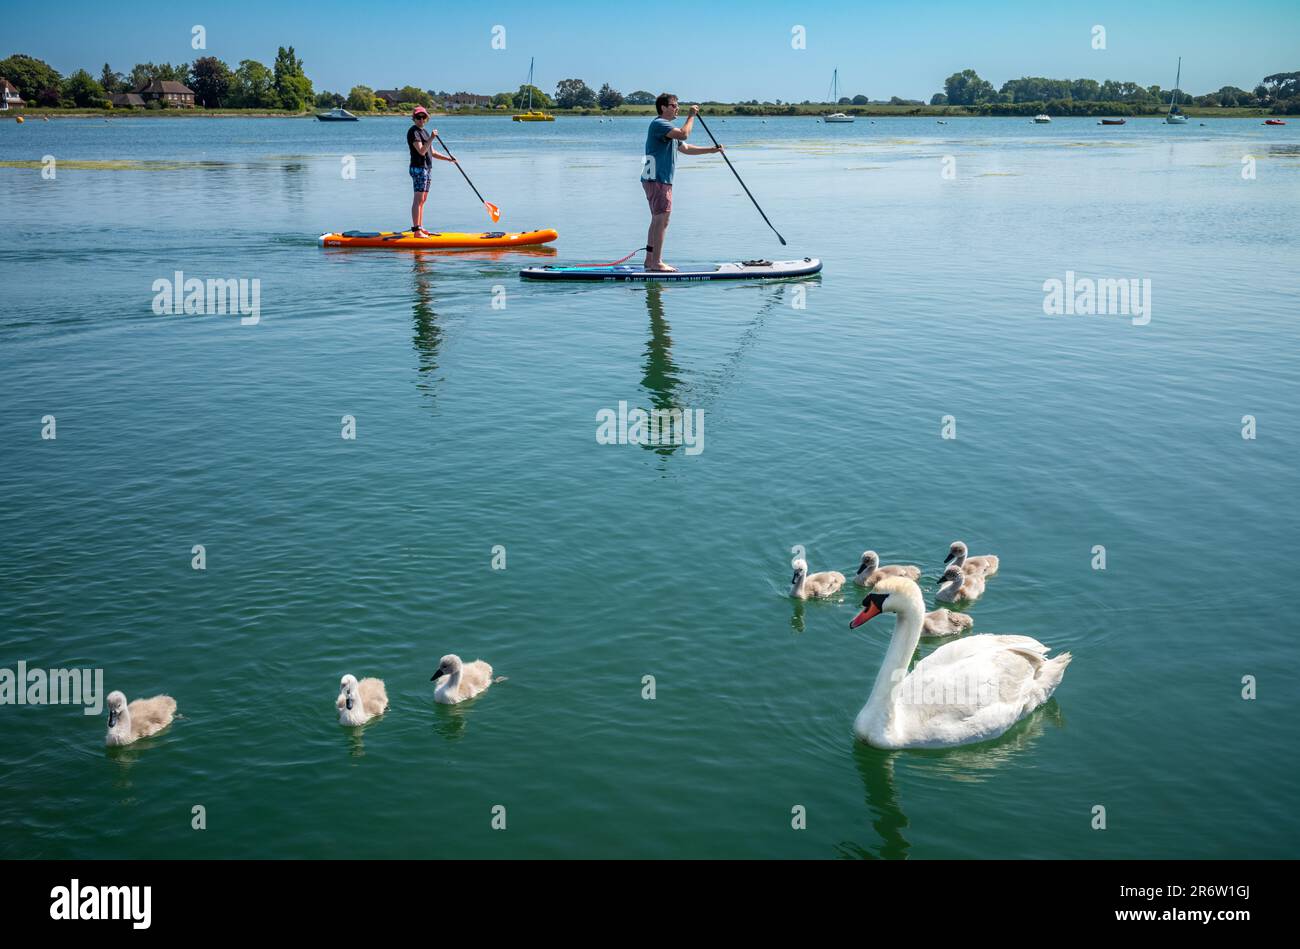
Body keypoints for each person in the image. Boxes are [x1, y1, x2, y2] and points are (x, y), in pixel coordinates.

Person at [641, 94, 722, 272]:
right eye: (673, 105)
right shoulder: (659, 124)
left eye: (677, 105)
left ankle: (650, 261)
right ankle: (656, 263)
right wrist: (691, 115)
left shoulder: (668, 129)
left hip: (656, 179)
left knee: (658, 219)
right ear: (663, 107)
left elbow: (684, 147)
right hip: (657, 178)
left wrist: (711, 151)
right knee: (662, 219)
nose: (677, 108)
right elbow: (685, 135)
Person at [407, 106, 456, 238]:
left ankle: (421, 228)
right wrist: (432, 138)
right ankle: (416, 231)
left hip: (427, 169)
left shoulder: (424, 132)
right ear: (414, 118)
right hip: (418, 168)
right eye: (418, 117)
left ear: (427, 118)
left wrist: (449, 159)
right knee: (418, 199)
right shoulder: (414, 132)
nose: (421, 120)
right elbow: (422, 151)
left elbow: (432, 152)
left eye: (424, 117)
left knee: (423, 200)